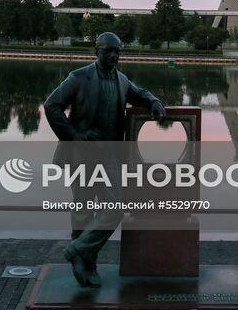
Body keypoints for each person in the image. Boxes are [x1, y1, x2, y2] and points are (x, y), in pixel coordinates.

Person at [44, 31, 166, 287]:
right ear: (96, 52)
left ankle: (78, 249)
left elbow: (140, 93)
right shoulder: (78, 77)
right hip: (82, 155)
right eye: (108, 51)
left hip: (110, 156)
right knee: (83, 210)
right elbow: (51, 105)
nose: (113, 55)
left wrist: (154, 101)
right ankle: (86, 266)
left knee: (115, 208)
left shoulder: (122, 80)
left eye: (117, 51)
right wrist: (74, 135)